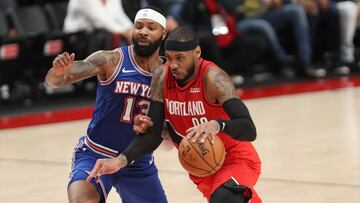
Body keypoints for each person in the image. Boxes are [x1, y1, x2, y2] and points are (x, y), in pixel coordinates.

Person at [87, 26, 262, 203]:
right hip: (200, 164)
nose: (174, 65)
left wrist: (217, 125)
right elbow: (153, 135)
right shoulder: (162, 76)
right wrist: (120, 160)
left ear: (197, 53)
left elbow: (249, 129)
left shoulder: (214, 78)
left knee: (224, 199)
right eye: (169, 58)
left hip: (235, 158)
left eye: (180, 58)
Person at [45, 7, 168, 203]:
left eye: (151, 28)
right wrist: (58, 72)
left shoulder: (168, 74)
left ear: (163, 34)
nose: (143, 31)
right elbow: (54, 81)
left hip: (137, 161)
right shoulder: (112, 59)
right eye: (139, 26)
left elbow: (167, 136)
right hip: (96, 153)